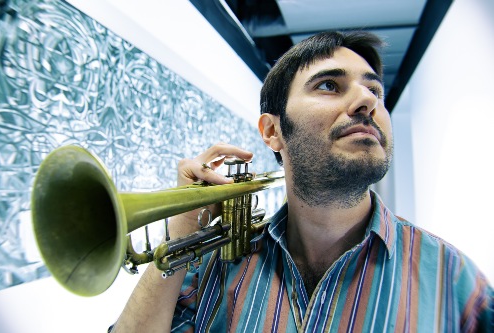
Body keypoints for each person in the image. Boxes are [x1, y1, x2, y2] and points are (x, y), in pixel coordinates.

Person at [111, 31, 493, 332]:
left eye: (375, 90)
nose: (367, 102)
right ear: (273, 130)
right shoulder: (210, 269)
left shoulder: (454, 280)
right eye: (329, 85)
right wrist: (181, 229)